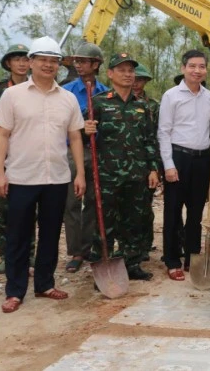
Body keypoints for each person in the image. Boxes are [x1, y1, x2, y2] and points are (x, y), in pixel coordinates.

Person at [0, 36, 86, 313]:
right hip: (21, 176)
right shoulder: (12, 96)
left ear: (59, 65)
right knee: (18, 236)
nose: (48, 65)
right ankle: (15, 291)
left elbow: (75, 138)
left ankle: (44, 284)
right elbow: (2, 135)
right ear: (31, 62)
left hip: (56, 177)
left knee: (50, 234)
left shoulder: (67, 98)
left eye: (53, 61)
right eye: (42, 59)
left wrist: (79, 173)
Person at [84, 53, 160, 281]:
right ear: (110, 74)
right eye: (122, 70)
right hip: (107, 175)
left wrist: (153, 169)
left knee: (134, 221)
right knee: (104, 223)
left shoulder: (142, 106)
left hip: (137, 174)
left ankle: (131, 263)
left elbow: (149, 140)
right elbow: (81, 136)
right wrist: (85, 130)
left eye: (131, 71)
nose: (128, 75)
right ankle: (103, 265)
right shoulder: (98, 102)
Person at [158, 50, 210, 281]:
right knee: (173, 211)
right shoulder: (171, 96)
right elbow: (164, 132)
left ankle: (192, 256)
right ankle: (172, 260)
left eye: (202, 67)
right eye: (192, 66)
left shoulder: (209, 96)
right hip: (179, 157)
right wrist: (168, 165)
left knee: (196, 212)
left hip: (202, 159)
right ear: (183, 68)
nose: (197, 71)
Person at [0, 44, 34, 275]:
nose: (22, 63)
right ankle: (6, 256)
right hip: (6, 152)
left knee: (31, 205)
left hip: (31, 153)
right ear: (8, 64)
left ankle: (29, 255)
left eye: (25, 59)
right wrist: (12, 131)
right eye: (17, 59)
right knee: (5, 207)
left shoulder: (37, 87)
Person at [62, 42, 108, 273]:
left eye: (83, 61)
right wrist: (80, 129)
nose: (78, 65)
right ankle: (76, 252)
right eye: (76, 61)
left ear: (96, 64)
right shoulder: (66, 91)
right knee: (72, 201)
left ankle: (89, 247)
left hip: (98, 151)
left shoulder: (106, 93)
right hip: (73, 151)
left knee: (93, 200)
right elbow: (59, 124)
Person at [132, 63, 160, 261]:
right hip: (121, 164)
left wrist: (156, 167)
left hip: (147, 163)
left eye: (140, 80)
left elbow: (158, 136)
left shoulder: (154, 106)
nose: (136, 83)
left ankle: (144, 245)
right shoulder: (112, 101)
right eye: (134, 79)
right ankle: (126, 248)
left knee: (144, 207)